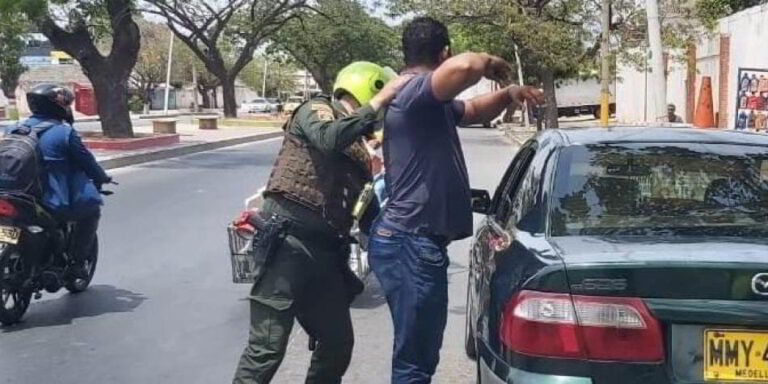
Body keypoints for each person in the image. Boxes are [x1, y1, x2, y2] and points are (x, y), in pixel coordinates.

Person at [367, 17, 545, 384]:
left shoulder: (429, 103)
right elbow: (467, 66)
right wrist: (490, 60)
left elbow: (476, 110)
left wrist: (508, 93)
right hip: (410, 242)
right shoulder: (415, 92)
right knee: (415, 362)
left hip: (411, 241)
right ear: (443, 53)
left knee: (418, 356)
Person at [232, 61, 411, 384]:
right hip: (287, 246)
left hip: (326, 256)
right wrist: (380, 101)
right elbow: (328, 139)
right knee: (267, 349)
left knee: (337, 343)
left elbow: (369, 214)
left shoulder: (360, 150)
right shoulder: (317, 110)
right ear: (367, 88)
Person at [16, 84, 111, 279]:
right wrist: (101, 177)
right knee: (91, 212)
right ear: (57, 106)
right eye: (65, 104)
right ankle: (76, 264)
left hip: (14, 195)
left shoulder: (16, 128)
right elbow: (87, 162)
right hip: (48, 199)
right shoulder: (64, 132)